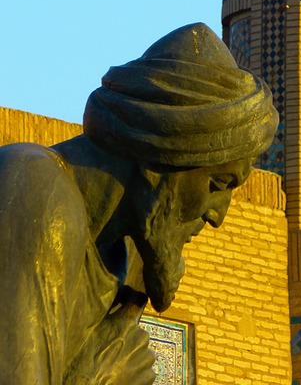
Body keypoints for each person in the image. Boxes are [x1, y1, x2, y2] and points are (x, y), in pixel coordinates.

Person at [0, 23, 278, 384]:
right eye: (217, 184)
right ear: (159, 163)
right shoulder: (34, 189)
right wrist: (99, 375)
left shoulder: (126, 263)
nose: (217, 216)